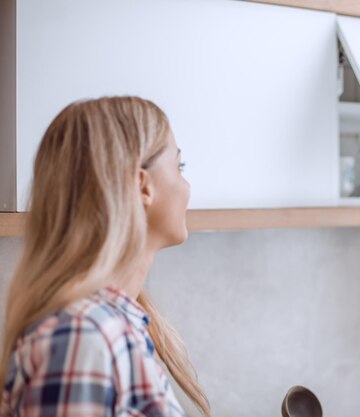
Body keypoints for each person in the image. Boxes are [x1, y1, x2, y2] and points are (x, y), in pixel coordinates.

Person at [0, 97, 211, 416]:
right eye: (178, 166)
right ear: (143, 185)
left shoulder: (112, 324)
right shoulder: (82, 334)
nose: (187, 185)